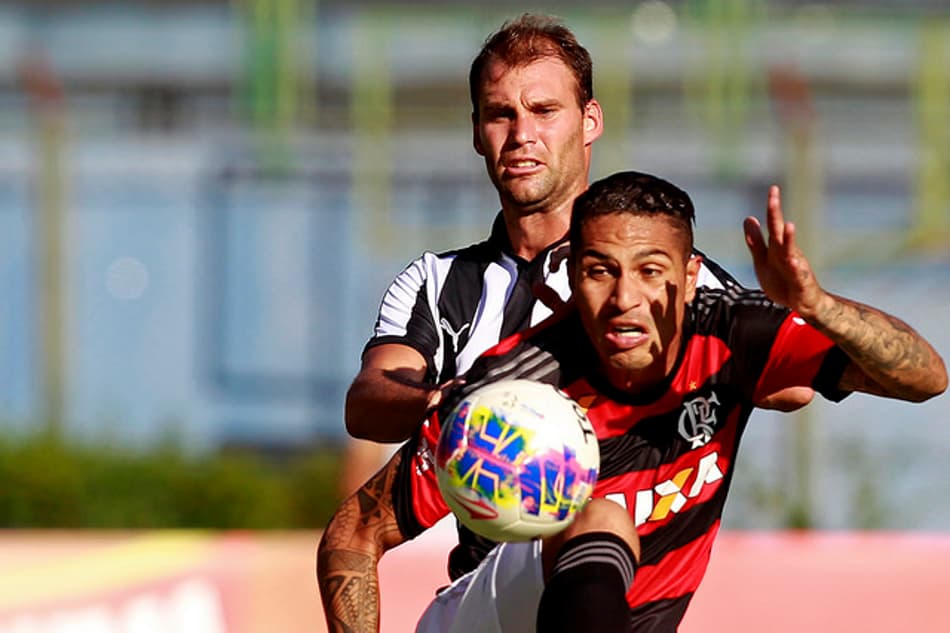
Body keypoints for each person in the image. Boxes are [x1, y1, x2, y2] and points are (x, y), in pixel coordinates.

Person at [318, 14, 811, 632]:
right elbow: (368, 402)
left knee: (601, 529)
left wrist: (796, 315)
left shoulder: (672, 275)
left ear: (590, 122)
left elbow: (789, 387)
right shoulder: (438, 283)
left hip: (627, 596)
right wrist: (459, 404)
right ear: (476, 132)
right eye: (501, 115)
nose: (522, 134)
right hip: (490, 594)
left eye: (544, 111)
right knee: (591, 517)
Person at [404, 170, 947, 631]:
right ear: (574, 275)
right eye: (600, 272)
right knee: (600, 517)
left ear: (689, 279)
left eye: (650, 271)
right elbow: (356, 535)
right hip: (488, 620)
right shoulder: (516, 388)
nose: (625, 298)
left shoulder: (733, 336)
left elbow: (926, 379)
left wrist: (818, 305)